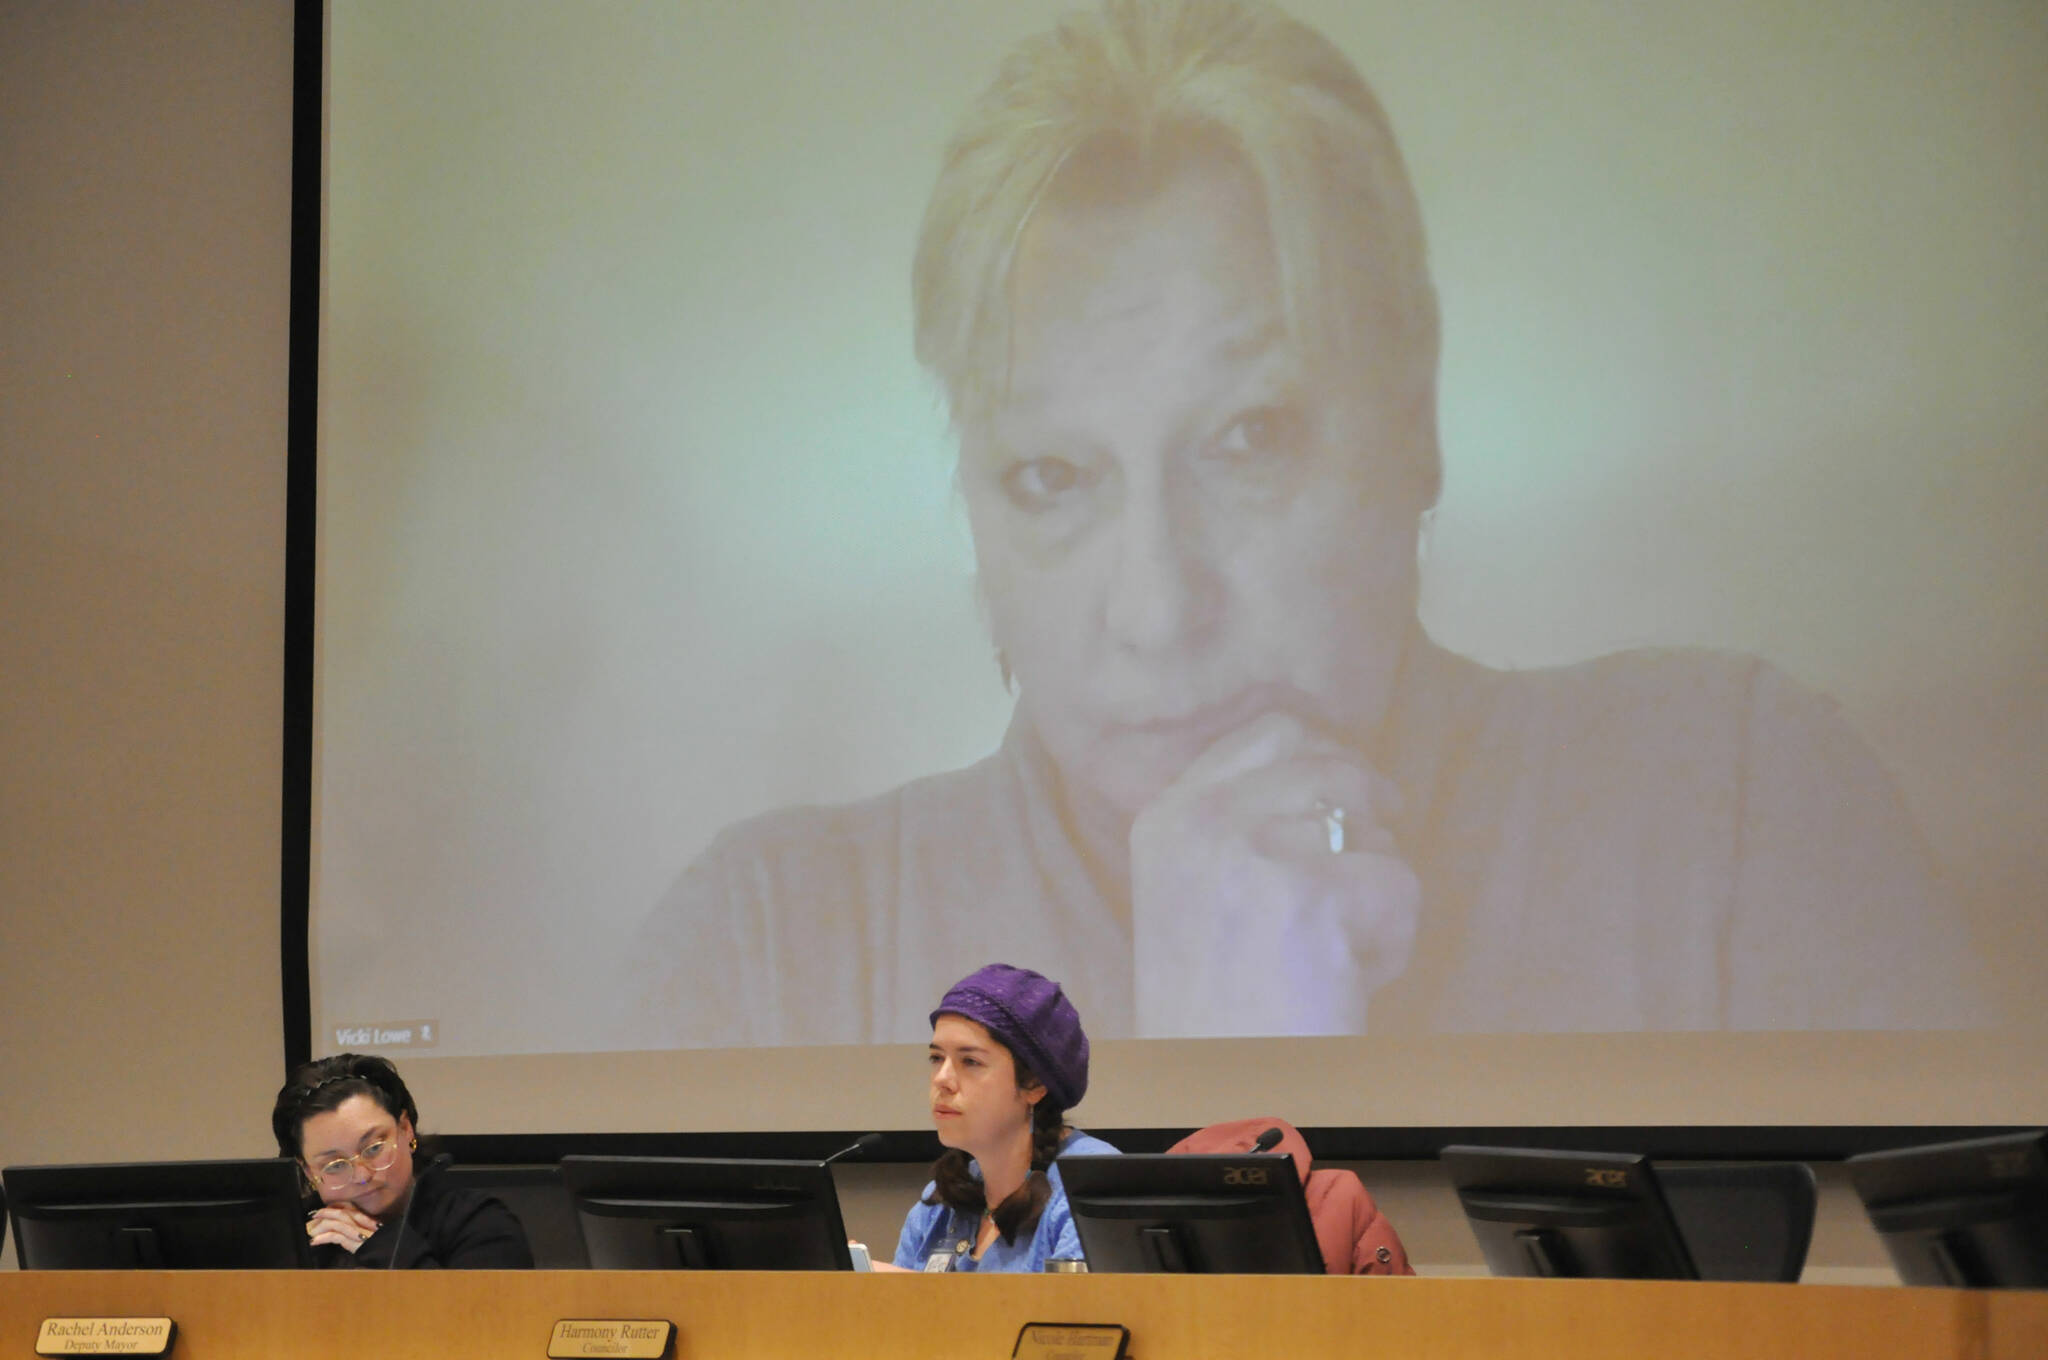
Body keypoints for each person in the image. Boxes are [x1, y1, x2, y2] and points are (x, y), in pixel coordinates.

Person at [625, 0, 1989, 1044]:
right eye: (1051, 476)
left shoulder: (1734, 815)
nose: (1158, 610)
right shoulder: (764, 948)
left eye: (1248, 439)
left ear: (1416, 420)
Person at [874, 964, 1116, 1273]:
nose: (942, 1079)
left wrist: (916, 1297)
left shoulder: (1089, 1188)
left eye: (970, 1061)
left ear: (1035, 1085)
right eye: (937, 1058)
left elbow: (1074, 1319)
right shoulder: (938, 1204)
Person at [271, 1053, 534, 1269]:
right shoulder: (294, 1239)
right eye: (336, 1165)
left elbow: (478, 1322)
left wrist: (377, 1245)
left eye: (373, 1148)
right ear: (307, 1171)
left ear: (406, 1129)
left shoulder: (480, 1222)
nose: (362, 1175)